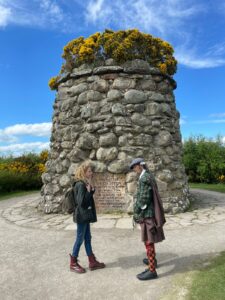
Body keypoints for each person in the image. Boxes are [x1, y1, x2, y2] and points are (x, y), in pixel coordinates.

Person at [129, 158, 166, 280]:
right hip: (149, 212)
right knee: (149, 240)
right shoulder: (148, 175)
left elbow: (143, 199)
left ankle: (152, 270)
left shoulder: (144, 178)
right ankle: (152, 261)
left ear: (140, 166)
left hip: (147, 214)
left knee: (148, 241)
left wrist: (136, 213)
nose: (134, 170)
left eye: (135, 167)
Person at [69, 160, 105, 273]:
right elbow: (81, 202)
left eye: (91, 171)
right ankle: (73, 263)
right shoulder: (80, 184)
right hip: (82, 217)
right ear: (83, 172)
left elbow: (85, 198)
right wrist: (89, 192)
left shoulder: (84, 183)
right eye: (89, 171)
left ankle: (92, 262)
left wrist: (91, 191)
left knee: (88, 238)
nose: (91, 173)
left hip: (85, 216)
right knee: (80, 239)